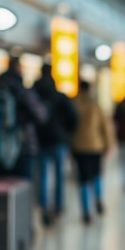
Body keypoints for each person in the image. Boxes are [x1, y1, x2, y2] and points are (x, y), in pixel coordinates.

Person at [0, 57, 48, 179]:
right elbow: (41, 115)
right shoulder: (23, 92)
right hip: (22, 146)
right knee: (20, 189)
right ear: (18, 68)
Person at [34, 64, 79, 226]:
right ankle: (59, 206)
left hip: (39, 141)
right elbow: (73, 117)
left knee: (43, 176)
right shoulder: (59, 96)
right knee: (59, 175)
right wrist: (66, 132)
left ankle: (44, 207)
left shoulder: (34, 93)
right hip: (59, 141)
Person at [70, 81, 112, 224]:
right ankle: (98, 198)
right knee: (96, 175)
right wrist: (107, 144)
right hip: (95, 146)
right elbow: (104, 127)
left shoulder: (74, 105)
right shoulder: (95, 105)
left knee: (82, 179)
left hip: (79, 147)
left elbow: (70, 127)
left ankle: (86, 211)